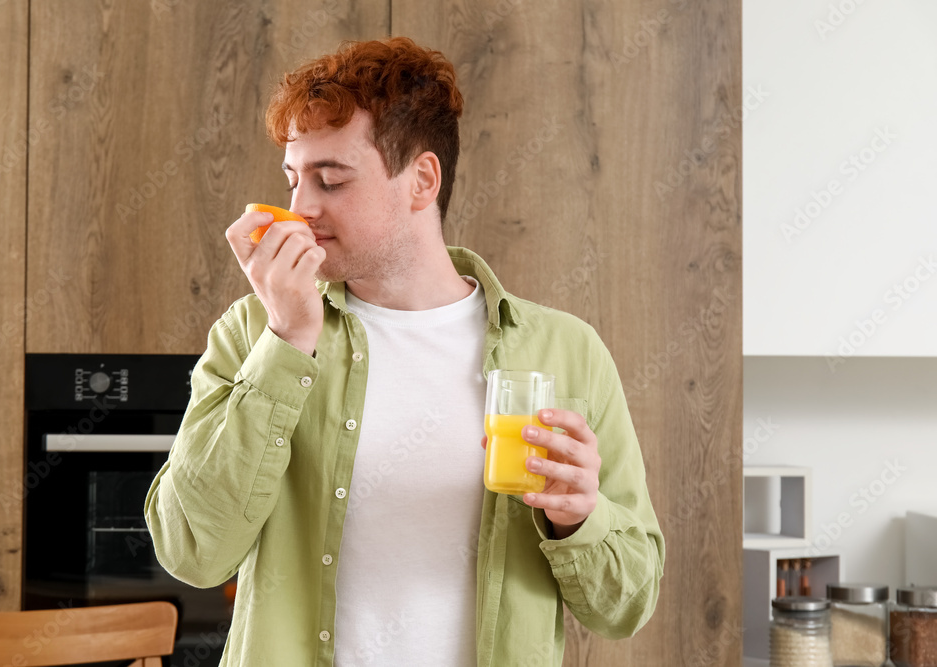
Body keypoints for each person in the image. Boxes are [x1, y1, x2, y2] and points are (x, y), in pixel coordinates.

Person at [144, 36, 665, 666]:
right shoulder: (256, 330)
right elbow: (192, 551)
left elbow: (626, 606)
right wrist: (287, 342)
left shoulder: (566, 353)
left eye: (330, 180)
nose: (299, 209)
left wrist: (580, 519)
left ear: (421, 179)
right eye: (293, 179)